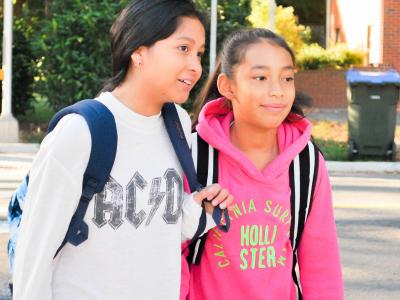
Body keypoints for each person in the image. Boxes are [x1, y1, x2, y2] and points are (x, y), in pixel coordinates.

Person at [13, 1, 232, 299]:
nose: (195, 66)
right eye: (183, 48)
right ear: (138, 52)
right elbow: (34, 254)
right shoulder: (80, 131)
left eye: (199, 53)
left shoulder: (178, 123)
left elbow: (162, 234)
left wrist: (198, 208)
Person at [182, 28, 344, 300]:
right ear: (227, 86)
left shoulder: (306, 163)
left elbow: (321, 264)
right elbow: (169, 253)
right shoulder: (195, 156)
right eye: (261, 77)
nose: (278, 91)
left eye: (287, 78)